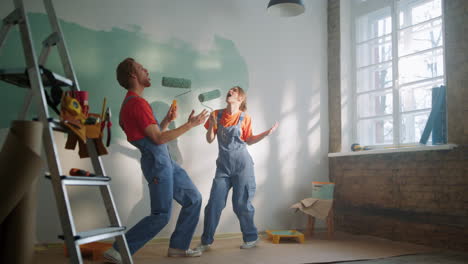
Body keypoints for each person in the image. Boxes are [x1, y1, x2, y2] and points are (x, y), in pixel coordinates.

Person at [104, 58, 209, 263]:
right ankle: (118, 250)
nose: (147, 71)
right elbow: (158, 139)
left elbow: (153, 134)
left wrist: (167, 121)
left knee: (193, 199)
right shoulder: (137, 104)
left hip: (165, 160)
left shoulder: (132, 103)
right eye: (142, 68)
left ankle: (178, 247)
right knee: (161, 214)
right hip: (158, 162)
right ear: (133, 75)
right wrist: (190, 124)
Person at [196, 86, 278, 251]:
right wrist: (212, 125)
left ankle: (251, 237)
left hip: (242, 166)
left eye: (234, 90)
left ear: (240, 98)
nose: (230, 91)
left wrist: (266, 134)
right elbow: (210, 139)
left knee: (241, 204)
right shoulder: (216, 115)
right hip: (223, 167)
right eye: (230, 90)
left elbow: (249, 140)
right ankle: (206, 242)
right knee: (214, 204)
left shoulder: (244, 117)